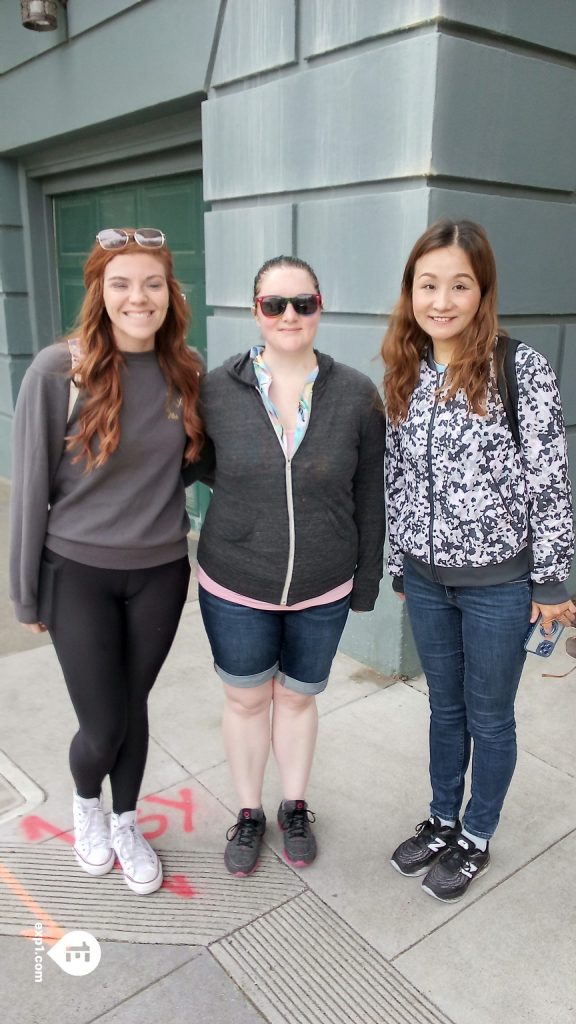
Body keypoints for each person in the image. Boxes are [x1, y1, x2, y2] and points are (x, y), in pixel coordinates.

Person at [382, 219, 575, 902]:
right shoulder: (406, 369)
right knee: (444, 709)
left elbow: (550, 480)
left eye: (458, 284)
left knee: (489, 716)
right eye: (428, 284)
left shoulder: (519, 368)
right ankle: (441, 818)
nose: (441, 299)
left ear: (481, 289)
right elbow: (396, 475)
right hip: (428, 581)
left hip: (499, 585)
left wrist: (552, 584)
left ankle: (477, 833)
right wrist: (399, 563)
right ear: (411, 291)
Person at [10, 227, 207, 895]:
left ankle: (126, 822)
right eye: (121, 282)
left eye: (152, 282)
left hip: (159, 572)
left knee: (133, 703)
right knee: (103, 722)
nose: (138, 296)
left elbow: (190, 465)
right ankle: (85, 805)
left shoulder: (188, 370)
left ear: (169, 293)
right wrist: (25, 593)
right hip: (76, 575)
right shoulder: (55, 370)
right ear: (99, 289)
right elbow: (30, 487)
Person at [194, 254, 386, 876]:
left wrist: (365, 581)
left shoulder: (356, 393)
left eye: (302, 303)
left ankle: (294, 805)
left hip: (323, 585)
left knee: (299, 701)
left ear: (320, 307)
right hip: (236, 582)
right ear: (256, 312)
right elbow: (180, 466)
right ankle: (249, 813)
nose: (289, 316)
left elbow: (369, 495)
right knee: (248, 702)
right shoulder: (216, 390)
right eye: (274, 304)